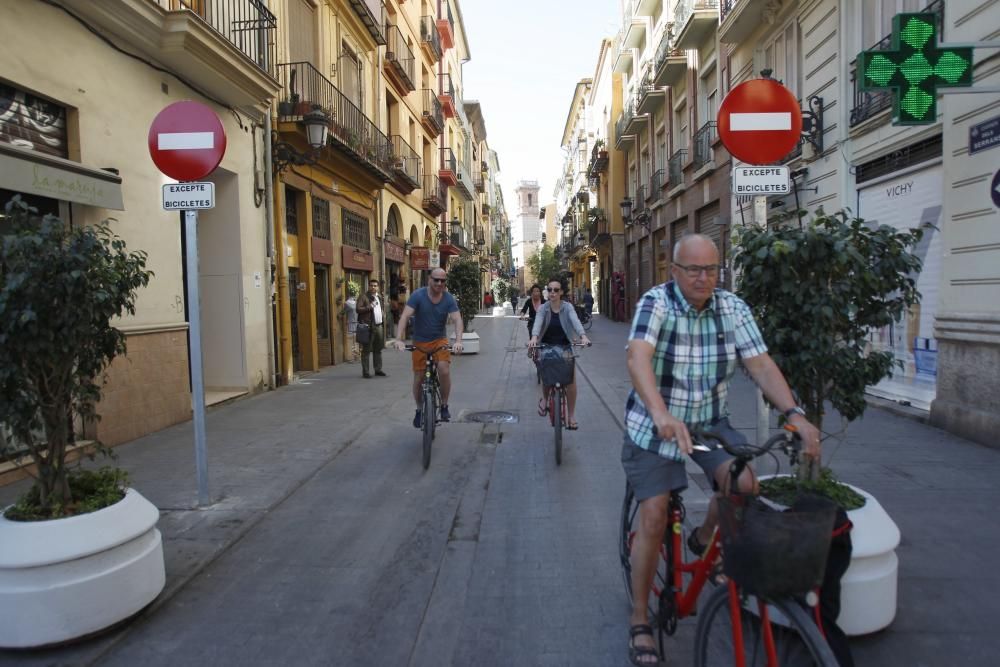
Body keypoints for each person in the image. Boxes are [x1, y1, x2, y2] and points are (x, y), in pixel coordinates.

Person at [622, 234, 822, 666]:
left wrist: (795, 413)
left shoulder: (732, 307)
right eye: (692, 269)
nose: (702, 277)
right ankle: (640, 618)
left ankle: (705, 534)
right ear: (673, 271)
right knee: (655, 515)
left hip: (709, 422)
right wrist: (660, 414)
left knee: (744, 484)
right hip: (655, 425)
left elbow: (760, 364)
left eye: (711, 269)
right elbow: (638, 357)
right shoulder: (656, 303)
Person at [393, 267, 464, 427]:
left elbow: (457, 320)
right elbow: (405, 316)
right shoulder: (418, 295)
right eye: (436, 280)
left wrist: (458, 341)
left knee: (444, 370)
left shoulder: (448, 299)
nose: (439, 283)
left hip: (439, 341)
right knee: (418, 378)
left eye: (443, 281)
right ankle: (419, 409)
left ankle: (444, 405)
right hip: (420, 342)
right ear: (429, 280)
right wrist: (398, 339)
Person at [529, 278, 592, 430]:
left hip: (565, 347)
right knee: (546, 376)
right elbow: (538, 321)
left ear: (561, 292)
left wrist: (583, 336)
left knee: (571, 382)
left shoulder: (568, 307)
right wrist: (534, 337)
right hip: (546, 345)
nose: (552, 293)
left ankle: (571, 416)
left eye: (556, 290)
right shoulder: (544, 308)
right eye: (550, 289)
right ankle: (545, 400)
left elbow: (575, 321)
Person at [355, 278, 386, 379]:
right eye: (371, 285)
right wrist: (370, 307)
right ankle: (366, 372)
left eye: (375, 286)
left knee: (378, 349)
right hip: (369, 327)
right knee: (366, 350)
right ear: (368, 286)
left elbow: (380, 308)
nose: (373, 287)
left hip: (379, 325)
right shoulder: (364, 297)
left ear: (378, 287)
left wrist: (382, 314)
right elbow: (358, 309)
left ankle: (378, 369)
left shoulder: (379, 297)